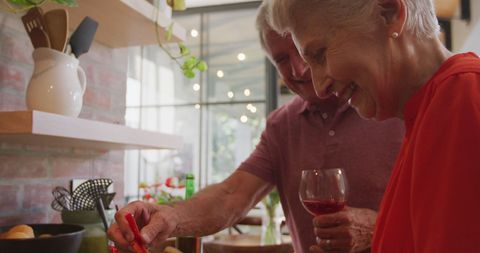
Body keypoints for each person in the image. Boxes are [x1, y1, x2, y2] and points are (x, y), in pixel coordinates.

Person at [108, 2, 404, 253]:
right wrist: (170, 217)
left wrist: (378, 227)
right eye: (282, 59)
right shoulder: (282, 124)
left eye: (305, 52)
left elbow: (447, 215)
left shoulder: (395, 107)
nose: (300, 70)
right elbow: (231, 195)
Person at [268, 0, 480, 252]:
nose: (319, 87)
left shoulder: (460, 95)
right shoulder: (428, 108)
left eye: (320, 54)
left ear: (388, 14)